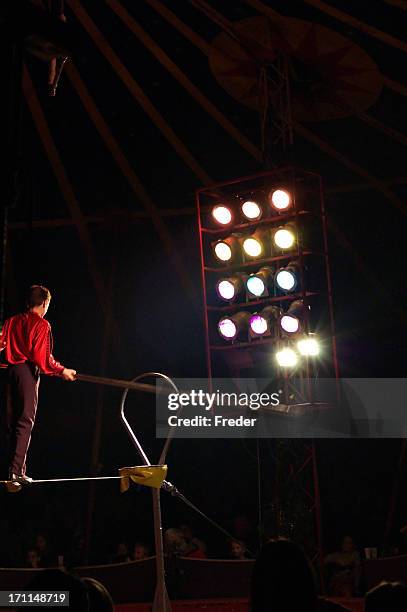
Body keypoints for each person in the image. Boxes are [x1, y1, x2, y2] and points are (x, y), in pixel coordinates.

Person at [0, 285, 76, 491]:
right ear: (44, 303)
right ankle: (17, 472)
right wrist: (62, 370)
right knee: (25, 421)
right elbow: (42, 358)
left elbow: (1, 344)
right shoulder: (41, 324)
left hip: (8, 372)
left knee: (9, 421)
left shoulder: (11, 321)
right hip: (25, 371)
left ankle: (9, 470)